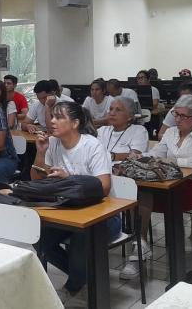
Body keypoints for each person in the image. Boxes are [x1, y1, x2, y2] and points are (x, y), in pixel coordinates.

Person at [120, 94, 192, 280]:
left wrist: (174, 160)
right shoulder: (171, 132)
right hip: (167, 184)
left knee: (144, 197)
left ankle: (141, 252)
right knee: (138, 194)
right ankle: (139, 247)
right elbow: (157, 153)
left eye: (183, 116)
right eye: (175, 114)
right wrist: (141, 156)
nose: (177, 119)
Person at [31, 101, 119, 296]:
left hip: (104, 215)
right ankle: (83, 274)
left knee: (81, 236)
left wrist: (69, 179)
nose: (52, 121)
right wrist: (40, 152)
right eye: (52, 116)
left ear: (75, 123)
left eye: (59, 117)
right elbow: (36, 179)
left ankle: (73, 286)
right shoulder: (53, 143)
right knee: (39, 238)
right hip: (68, 210)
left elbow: (104, 187)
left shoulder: (92, 145)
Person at [96, 97, 148, 162]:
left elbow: (135, 156)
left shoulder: (139, 131)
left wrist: (112, 156)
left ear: (130, 116)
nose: (112, 113)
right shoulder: (102, 130)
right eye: (111, 109)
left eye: (118, 110)